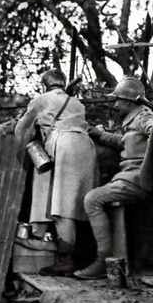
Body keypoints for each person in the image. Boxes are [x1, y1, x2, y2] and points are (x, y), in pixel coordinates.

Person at [15, 69, 98, 273]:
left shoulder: (40, 100)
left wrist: (20, 156)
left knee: (61, 207)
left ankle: (66, 259)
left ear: (45, 85)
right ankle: (85, 257)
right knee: (81, 204)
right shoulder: (76, 102)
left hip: (64, 147)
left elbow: (21, 130)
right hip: (86, 148)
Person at [75, 77, 153, 279]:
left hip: (138, 179)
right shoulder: (133, 119)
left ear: (129, 101)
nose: (115, 104)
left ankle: (104, 261)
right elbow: (125, 142)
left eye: (118, 100)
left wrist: (151, 162)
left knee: (92, 199)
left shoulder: (144, 116)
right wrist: (100, 135)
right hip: (129, 177)